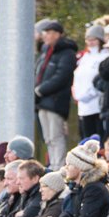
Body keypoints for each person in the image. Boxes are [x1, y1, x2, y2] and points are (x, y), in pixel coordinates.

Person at [34, 20, 78, 167]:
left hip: (55, 101)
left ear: (57, 34)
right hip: (42, 102)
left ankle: (58, 167)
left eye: (49, 33)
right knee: (48, 138)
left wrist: (41, 90)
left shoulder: (67, 53)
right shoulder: (46, 52)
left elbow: (61, 76)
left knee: (56, 136)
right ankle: (53, 165)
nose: (45, 36)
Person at [73, 24, 109, 140]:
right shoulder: (84, 57)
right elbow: (78, 76)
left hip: (96, 103)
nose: (90, 42)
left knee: (97, 137)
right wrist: (76, 94)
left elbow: (101, 79)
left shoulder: (104, 56)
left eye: (94, 39)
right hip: (83, 105)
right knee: (85, 137)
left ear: (100, 40)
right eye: (88, 39)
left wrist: (91, 93)